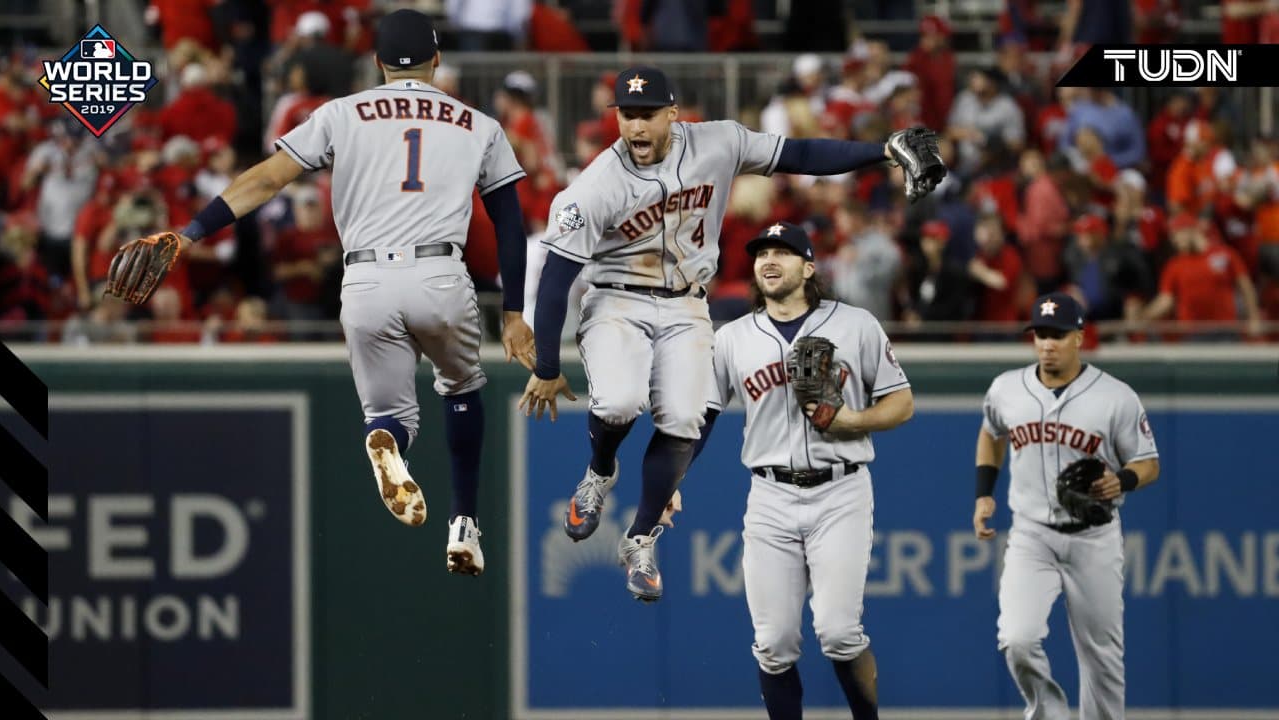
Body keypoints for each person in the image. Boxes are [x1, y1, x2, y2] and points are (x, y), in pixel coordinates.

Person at [106, 9, 534, 576]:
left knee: (389, 416)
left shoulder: (342, 112)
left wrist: (191, 233)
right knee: (461, 386)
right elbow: (510, 224)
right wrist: (514, 311)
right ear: (436, 61)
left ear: (377, 62)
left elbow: (267, 179)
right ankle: (464, 524)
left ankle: (386, 440)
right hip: (439, 275)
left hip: (365, 280)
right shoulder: (478, 124)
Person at [518, 63, 944, 603]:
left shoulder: (717, 142)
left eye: (648, 114)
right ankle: (599, 473)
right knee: (620, 402)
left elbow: (799, 155)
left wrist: (880, 151)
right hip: (617, 299)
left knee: (685, 420)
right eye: (627, 115)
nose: (637, 126)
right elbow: (557, 279)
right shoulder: (596, 185)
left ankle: (640, 538)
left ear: (673, 114)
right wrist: (547, 366)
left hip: (687, 302)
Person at [686, 221, 913, 719]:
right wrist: (671, 482)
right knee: (773, 642)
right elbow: (702, 417)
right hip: (771, 495)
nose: (769, 260)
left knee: (839, 632)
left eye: (783, 252)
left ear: (809, 268)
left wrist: (853, 420)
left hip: (841, 490)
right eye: (762, 253)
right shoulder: (733, 338)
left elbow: (901, 403)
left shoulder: (855, 325)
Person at [973, 291, 1160, 719]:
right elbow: (990, 432)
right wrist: (984, 493)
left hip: (1094, 537)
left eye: (1057, 335)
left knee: (1101, 655)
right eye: (1040, 334)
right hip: (1031, 534)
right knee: (1017, 639)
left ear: (1079, 337)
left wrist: (1122, 480)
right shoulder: (1007, 388)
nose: (1047, 344)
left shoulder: (1115, 397)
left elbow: (1149, 463)